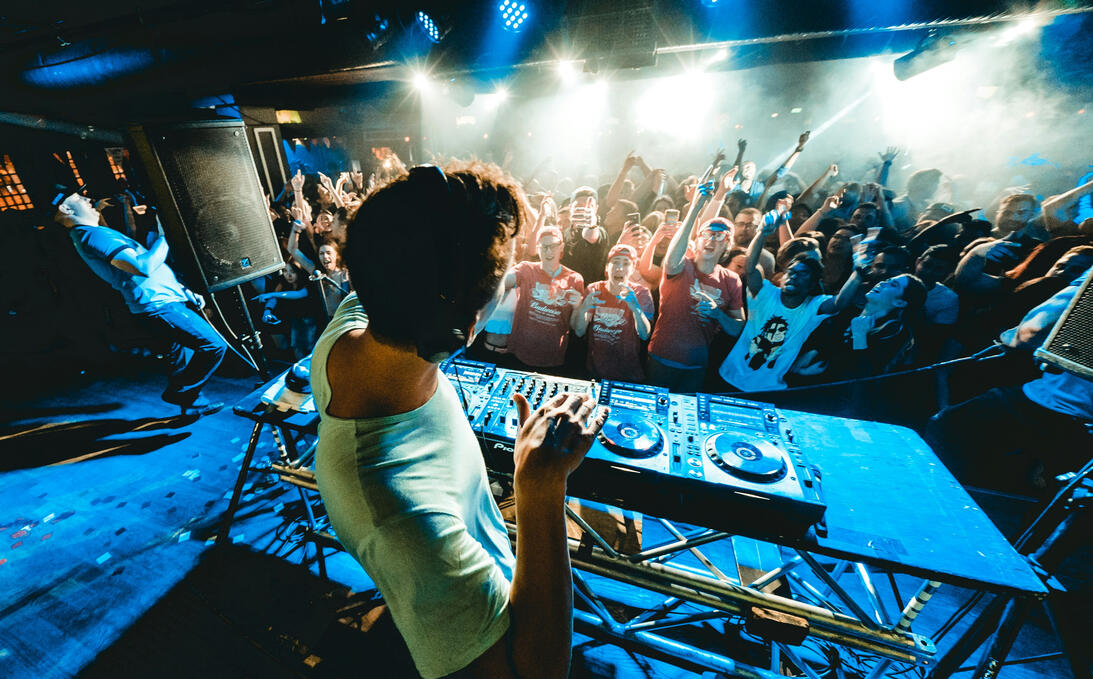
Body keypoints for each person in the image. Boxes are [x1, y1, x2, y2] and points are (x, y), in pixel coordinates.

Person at [312, 161, 608, 679]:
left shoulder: (348, 328)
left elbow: (408, 243)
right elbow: (536, 675)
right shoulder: (404, 522)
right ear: (467, 331)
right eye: (503, 282)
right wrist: (539, 488)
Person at [51, 183, 226, 416]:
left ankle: (191, 405)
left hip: (161, 302)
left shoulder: (91, 233)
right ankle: (181, 391)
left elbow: (148, 262)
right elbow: (143, 267)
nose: (89, 200)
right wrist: (169, 236)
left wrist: (182, 290)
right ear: (66, 208)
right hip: (159, 306)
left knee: (178, 359)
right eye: (80, 199)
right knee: (213, 345)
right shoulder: (91, 234)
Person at [719, 207, 863, 392]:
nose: (794, 276)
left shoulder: (813, 306)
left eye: (802, 274)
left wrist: (858, 270)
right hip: (728, 378)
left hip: (768, 390)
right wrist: (762, 232)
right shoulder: (766, 293)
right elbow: (751, 267)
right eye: (791, 272)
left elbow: (839, 303)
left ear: (812, 283)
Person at [646, 185, 745, 392]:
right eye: (706, 234)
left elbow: (737, 328)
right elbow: (673, 257)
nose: (711, 240)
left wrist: (717, 314)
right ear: (697, 240)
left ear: (727, 245)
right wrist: (696, 207)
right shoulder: (682, 267)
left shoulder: (731, 280)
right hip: (662, 359)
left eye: (720, 237)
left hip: (697, 366)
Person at [505, 226, 585, 370]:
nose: (548, 251)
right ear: (537, 248)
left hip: (552, 357)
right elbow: (503, 282)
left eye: (553, 246)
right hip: (519, 354)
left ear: (562, 247)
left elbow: (575, 326)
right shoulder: (526, 269)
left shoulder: (575, 279)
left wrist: (578, 306)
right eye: (544, 246)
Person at [571, 244, 654, 382]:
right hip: (595, 372)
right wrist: (584, 307)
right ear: (607, 267)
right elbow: (579, 331)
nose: (619, 268)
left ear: (633, 269)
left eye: (626, 263)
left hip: (628, 374)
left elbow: (644, 335)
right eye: (615, 262)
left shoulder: (641, 293)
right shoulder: (594, 289)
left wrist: (635, 308)